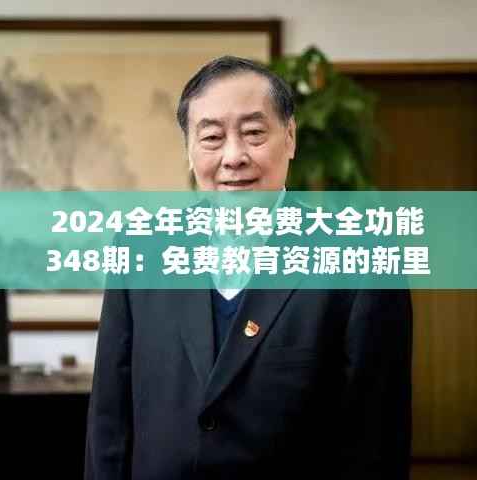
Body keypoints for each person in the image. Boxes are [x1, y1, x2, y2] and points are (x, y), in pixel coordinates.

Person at [84, 56, 413, 479]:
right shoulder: (142, 247)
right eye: (212, 137)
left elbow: (377, 439)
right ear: (189, 150)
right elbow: (109, 418)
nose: (234, 156)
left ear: (290, 138)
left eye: (254, 133)